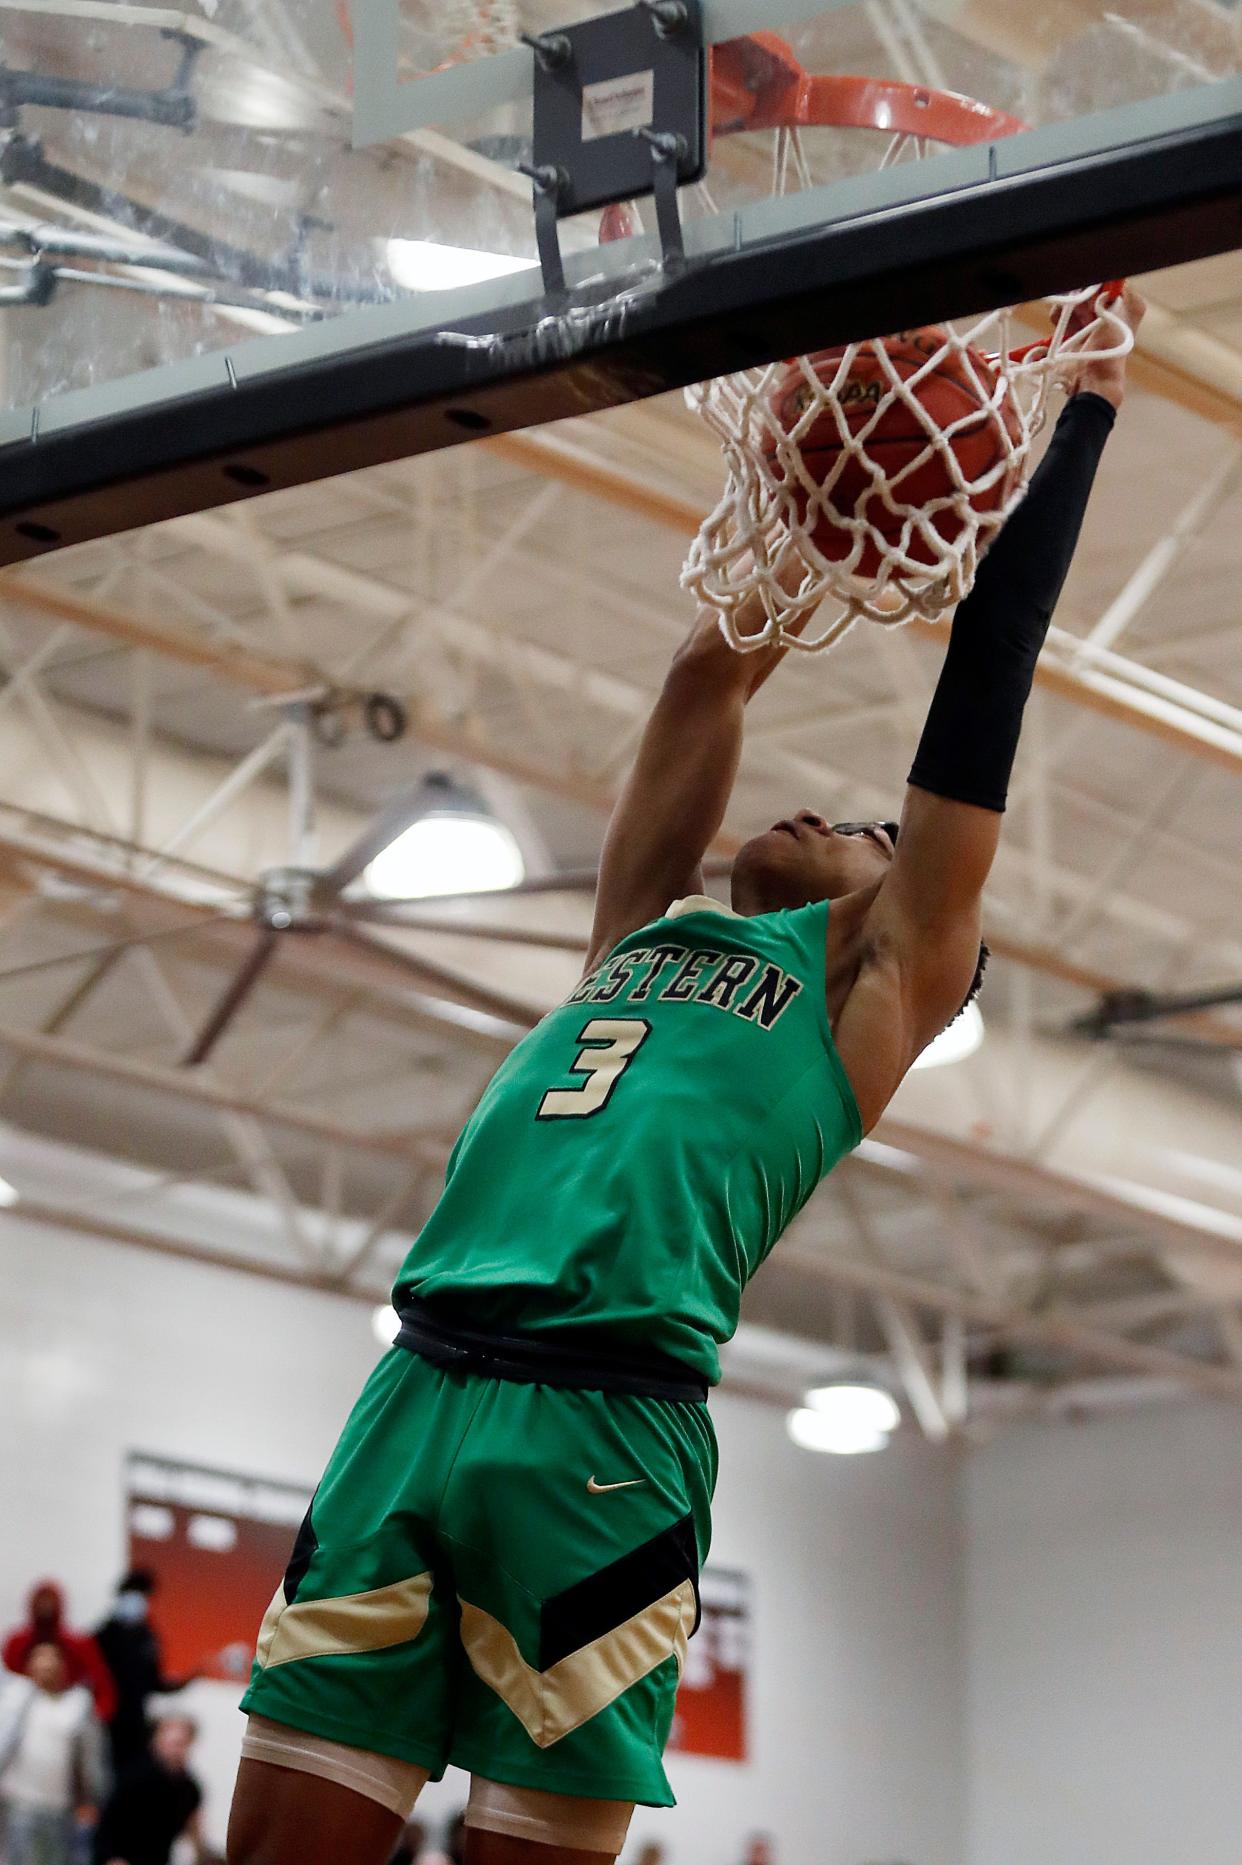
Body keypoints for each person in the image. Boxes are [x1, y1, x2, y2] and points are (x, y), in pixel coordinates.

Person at [227, 293, 1142, 1865]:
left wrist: (1075, 426)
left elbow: (974, 710)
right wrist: (817, 497)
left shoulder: (866, 997)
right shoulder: (631, 939)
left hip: (608, 1429)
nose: (822, 812)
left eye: (859, 829)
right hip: (420, 1389)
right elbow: (699, 690)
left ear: (891, 903)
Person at [0, 1642, 108, 1865]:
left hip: (60, 1807)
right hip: (19, 1802)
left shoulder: (77, 1705)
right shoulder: (15, 1698)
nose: (45, 1667)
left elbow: (90, 1757)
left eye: (52, 1662)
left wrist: (91, 1797)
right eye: (40, 1661)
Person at [93, 1574, 194, 1777]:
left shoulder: (148, 1637)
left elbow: (155, 1682)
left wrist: (189, 1679)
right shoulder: (103, 1635)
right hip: (103, 1721)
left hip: (134, 1724)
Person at [92, 1714, 202, 1865]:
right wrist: (111, 1857)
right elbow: (108, 1823)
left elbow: (193, 1827)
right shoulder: (134, 1778)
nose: (176, 1751)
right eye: (172, 1743)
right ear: (157, 1741)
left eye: (181, 1744)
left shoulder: (190, 1789)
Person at [3, 1584, 117, 1723]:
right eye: (40, 1658)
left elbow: (102, 1687)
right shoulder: (17, 1643)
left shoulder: (78, 1644)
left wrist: (91, 1718)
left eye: (53, 1659)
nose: (47, 1666)